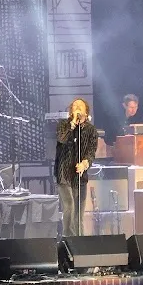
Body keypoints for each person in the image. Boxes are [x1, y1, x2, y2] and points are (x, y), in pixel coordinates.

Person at [55, 98, 97, 237]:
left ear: (86, 111)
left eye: (80, 105)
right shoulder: (63, 125)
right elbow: (62, 139)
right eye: (74, 106)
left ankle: (80, 244)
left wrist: (84, 164)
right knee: (70, 206)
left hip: (79, 176)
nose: (77, 107)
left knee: (78, 214)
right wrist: (72, 123)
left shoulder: (91, 130)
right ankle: (68, 240)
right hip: (64, 173)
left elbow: (91, 152)